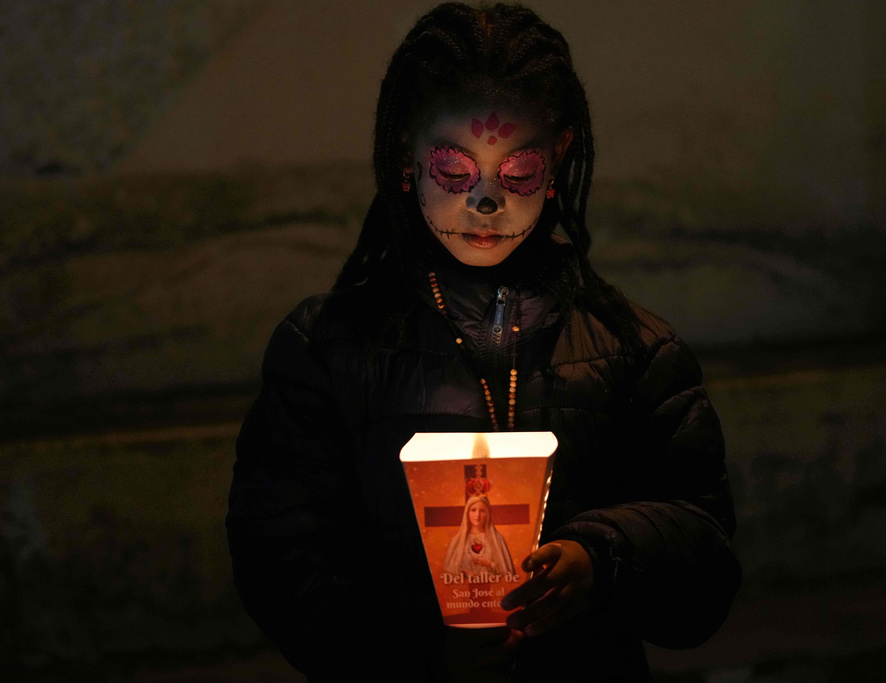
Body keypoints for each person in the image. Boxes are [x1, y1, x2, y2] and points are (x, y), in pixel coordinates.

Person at [226, 3, 741, 681]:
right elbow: (281, 559)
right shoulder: (329, 350)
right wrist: (416, 646)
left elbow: (704, 559)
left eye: (517, 172)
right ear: (406, 153)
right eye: (455, 169)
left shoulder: (633, 350)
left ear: (558, 158)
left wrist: (603, 557)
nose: (486, 201)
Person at [444, 496, 515, 577]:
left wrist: (490, 564)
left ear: (487, 514)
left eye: (482, 511)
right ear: (467, 513)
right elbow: (448, 574)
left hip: (495, 588)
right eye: (473, 510)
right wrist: (464, 574)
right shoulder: (457, 541)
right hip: (463, 589)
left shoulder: (498, 539)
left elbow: (508, 574)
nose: (477, 515)